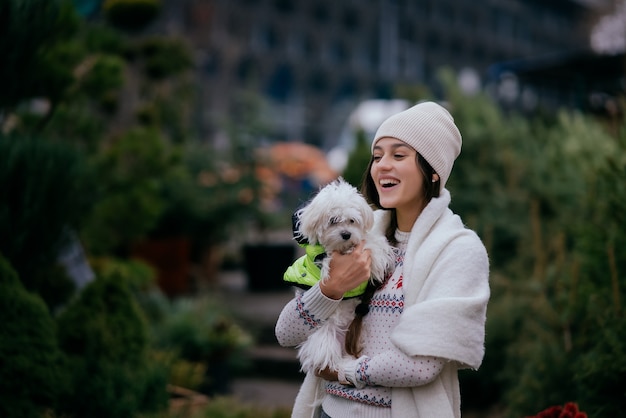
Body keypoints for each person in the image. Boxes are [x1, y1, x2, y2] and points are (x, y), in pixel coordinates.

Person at [275, 101, 490, 418]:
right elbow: (285, 334)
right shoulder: (356, 232)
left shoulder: (457, 250)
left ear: (432, 171)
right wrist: (330, 290)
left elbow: (421, 364)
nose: (382, 166)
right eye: (377, 156)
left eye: (398, 155)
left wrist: (346, 372)